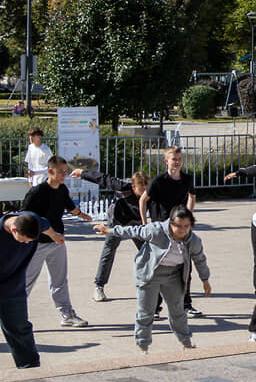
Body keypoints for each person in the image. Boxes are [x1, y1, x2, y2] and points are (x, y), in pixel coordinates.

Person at [93, 206, 210, 353]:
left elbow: (200, 260)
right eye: (178, 226)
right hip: (150, 274)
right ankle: (143, 347)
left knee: (178, 311)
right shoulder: (156, 230)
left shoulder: (193, 240)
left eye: (186, 226)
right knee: (146, 312)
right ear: (170, 223)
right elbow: (133, 230)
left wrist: (205, 280)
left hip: (173, 276)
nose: (182, 230)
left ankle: (187, 343)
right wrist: (109, 230)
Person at [22, 156, 92, 327]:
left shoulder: (62, 189)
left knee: (59, 281)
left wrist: (81, 215)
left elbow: (69, 205)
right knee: (26, 282)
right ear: (50, 171)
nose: (64, 175)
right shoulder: (37, 192)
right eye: (60, 171)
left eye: (65, 171)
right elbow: (25, 217)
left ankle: (66, 314)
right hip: (36, 244)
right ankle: (13, 316)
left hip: (57, 243)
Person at [140, 146, 206, 316]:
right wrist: (144, 224)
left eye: (179, 159)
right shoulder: (158, 180)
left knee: (185, 266)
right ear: (166, 161)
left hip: (180, 228)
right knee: (159, 268)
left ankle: (186, 304)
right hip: (162, 228)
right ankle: (155, 308)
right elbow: (143, 200)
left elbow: (192, 196)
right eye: (173, 159)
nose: (177, 162)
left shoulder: (187, 179)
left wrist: (189, 217)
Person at [69, 168, 150, 302]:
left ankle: (154, 283)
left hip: (136, 223)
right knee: (109, 250)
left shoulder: (150, 192)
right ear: (133, 186)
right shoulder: (122, 186)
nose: (144, 194)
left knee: (148, 251)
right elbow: (103, 178)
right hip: (116, 222)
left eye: (146, 190)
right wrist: (83, 173)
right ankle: (99, 286)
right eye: (141, 190)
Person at [0, 212, 63, 368]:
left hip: (13, 287)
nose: (27, 243)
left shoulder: (32, 220)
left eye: (31, 240)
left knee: (20, 327)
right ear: (13, 229)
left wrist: (54, 235)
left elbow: (45, 224)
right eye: (24, 239)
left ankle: (29, 366)